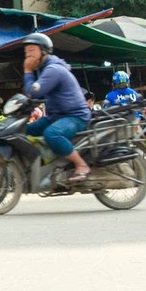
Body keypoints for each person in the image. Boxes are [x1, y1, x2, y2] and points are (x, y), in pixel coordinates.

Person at [21, 34, 92, 183]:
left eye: (32, 50)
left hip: (75, 116)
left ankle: (81, 165)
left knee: (52, 134)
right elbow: (36, 95)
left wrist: (27, 71)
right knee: (25, 130)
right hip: (56, 116)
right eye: (26, 52)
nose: (28, 55)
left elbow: (33, 92)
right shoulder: (42, 69)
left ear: (43, 51)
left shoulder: (53, 70)